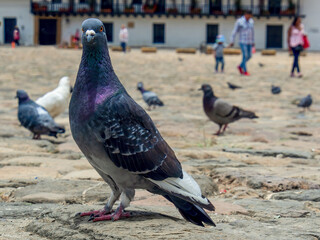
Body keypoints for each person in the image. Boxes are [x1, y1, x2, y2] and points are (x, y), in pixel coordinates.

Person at [229, 10, 255, 76]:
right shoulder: (239, 21)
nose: (249, 17)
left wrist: (253, 41)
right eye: (248, 16)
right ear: (246, 14)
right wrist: (232, 41)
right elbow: (234, 31)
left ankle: (240, 66)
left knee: (249, 56)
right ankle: (245, 71)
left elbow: (252, 32)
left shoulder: (251, 21)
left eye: (250, 16)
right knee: (245, 55)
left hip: (249, 41)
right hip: (243, 41)